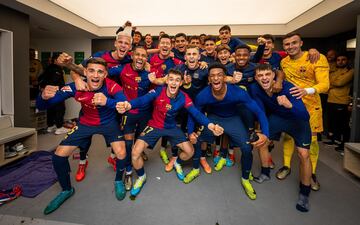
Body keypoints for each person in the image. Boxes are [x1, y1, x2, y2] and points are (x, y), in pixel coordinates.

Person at [36, 58, 128, 215]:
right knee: (58, 155)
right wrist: (43, 96)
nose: (95, 75)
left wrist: (108, 102)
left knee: (121, 153)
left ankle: (119, 180)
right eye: (91, 71)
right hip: (85, 123)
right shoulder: (75, 86)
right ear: (85, 72)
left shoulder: (113, 86)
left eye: (100, 71)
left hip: (109, 123)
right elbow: (42, 105)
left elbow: (124, 107)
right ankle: (66, 190)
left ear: (105, 74)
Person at [116, 69, 224, 198]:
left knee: (190, 152)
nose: (173, 83)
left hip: (172, 127)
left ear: (181, 83)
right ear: (167, 81)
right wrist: (129, 105)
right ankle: (141, 176)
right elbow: (143, 100)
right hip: (154, 125)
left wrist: (211, 125)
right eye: (171, 79)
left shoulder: (184, 97)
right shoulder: (158, 90)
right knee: (135, 153)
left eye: (177, 80)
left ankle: (177, 162)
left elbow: (196, 113)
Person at [186, 63, 269, 200]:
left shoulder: (238, 92)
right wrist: (190, 132)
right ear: (209, 80)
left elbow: (259, 112)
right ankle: (195, 169)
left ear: (225, 77)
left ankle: (245, 178)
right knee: (198, 139)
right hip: (214, 119)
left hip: (233, 119)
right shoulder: (203, 95)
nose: (216, 78)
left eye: (219, 75)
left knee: (247, 148)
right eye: (212, 76)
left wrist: (265, 133)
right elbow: (193, 114)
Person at [56, 27, 133, 172]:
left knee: (116, 136)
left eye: (127, 44)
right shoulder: (100, 55)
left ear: (130, 47)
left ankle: (113, 157)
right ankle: (82, 162)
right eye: (121, 42)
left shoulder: (129, 59)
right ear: (115, 43)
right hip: (91, 101)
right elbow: (77, 68)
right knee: (85, 137)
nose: (123, 45)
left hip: (112, 103)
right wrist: (77, 78)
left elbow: (144, 57)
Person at [249, 63, 313, 212]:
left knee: (304, 155)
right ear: (256, 78)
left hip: (297, 121)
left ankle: (304, 193)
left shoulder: (288, 88)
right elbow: (260, 111)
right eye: (260, 75)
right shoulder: (255, 89)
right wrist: (263, 132)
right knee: (262, 141)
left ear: (273, 76)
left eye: (267, 75)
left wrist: (289, 105)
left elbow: (305, 115)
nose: (264, 78)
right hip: (277, 118)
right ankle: (265, 173)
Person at [277, 33, 329, 192]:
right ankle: (286, 166)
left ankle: (312, 173)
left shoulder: (316, 58)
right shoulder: (284, 61)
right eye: (287, 44)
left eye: (294, 43)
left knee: (311, 141)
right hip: (291, 106)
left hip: (311, 106)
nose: (290, 46)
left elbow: (325, 85)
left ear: (301, 43)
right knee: (288, 136)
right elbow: (282, 75)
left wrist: (306, 91)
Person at [325, 53, 354, 152]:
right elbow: (327, 81)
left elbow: (339, 82)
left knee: (343, 124)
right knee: (333, 122)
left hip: (342, 101)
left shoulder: (351, 71)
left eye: (343, 59)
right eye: (338, 60)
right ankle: (333, 140)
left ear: (348, 61)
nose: (340, 62)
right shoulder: (335, 71)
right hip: (331, 99)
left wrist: (332, 82)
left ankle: (344, 144)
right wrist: (332, 82)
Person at [38, 54, 69, 135]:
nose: (63, 62)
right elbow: (54, 81)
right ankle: (59, 127)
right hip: (56, 92)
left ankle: (50, 126)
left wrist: (43, 87)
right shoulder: (56, 69)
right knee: (60, 109)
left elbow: (40, 78)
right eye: (61, 60)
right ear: (55, 60)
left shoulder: (48, 68)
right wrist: (60, 91)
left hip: (48, 92)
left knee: (51, 109)